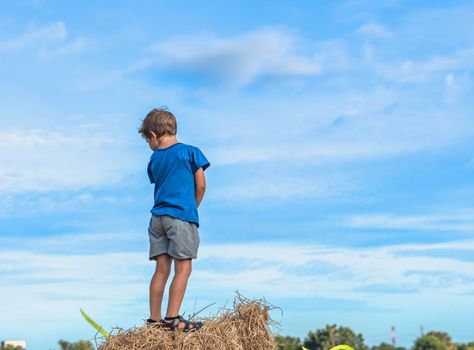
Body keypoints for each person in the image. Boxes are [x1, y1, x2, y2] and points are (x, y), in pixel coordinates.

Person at [138, 107, 210, 332]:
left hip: (157, 218)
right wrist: (191, 207)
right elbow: (201, 185)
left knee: (161, 269)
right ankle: (172, 319)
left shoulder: (154, 159)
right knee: (183, 268)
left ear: (153, 135)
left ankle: (154, 320)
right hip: (180, 217)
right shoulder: (191, 152)